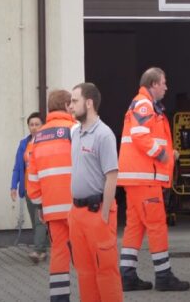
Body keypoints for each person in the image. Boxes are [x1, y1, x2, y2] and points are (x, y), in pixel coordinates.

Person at [118, 67, 190, 292]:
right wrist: (164, 155)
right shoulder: (144, 104)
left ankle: (127, 275)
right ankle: (164, 276)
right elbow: (141, 136)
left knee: (135, 227)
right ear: (153, 84)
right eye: (163, 83)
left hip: (137, 178)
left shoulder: (144, 105)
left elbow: (145, 136)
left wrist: (168, 151)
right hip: (145, 178)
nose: (166, 87)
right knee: (157, 225)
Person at [68, 83, 122, 302]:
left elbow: (112, 176)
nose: (70, 106)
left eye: (74, 101)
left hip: (97, 212)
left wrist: (105, 213)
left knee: (106, 273)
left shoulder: (104, 135)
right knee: (85, 273)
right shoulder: (76, 133)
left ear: (88, 103)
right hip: (78, 214)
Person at [27, 90, 76, 302]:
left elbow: (33, 177)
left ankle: (58, 297)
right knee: (83, 254)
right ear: (66, 106)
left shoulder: (37, 139)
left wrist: (39, 206)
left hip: (52, 209)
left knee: (59, 251)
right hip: (78, 207)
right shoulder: (75, 131)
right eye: (71, 103)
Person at [10, 112, 49, 263]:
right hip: (27, 189)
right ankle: (43, 247)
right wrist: (14, 186)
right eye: (31, 125)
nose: (34, 128)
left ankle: (38, 250)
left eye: (37, 124)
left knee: (39, 219)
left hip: (42, 188)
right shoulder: (23, 144)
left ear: (42, 126)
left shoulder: (46, 142)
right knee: (36, 221)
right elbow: (17, 167)